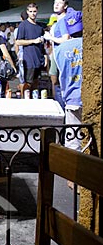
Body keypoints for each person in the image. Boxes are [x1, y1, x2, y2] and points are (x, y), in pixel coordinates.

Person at [53, 9, 83, 152]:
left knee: (72, 144)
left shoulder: (59, 50)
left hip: (71, 99)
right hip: (88, 99)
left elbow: (56, 74)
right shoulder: (90, 45)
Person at [15, 3, 47, 96]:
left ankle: (35, 101)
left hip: (38, 59)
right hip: (28, 59)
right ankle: (25, 101)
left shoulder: (39, 27)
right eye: (31, 11)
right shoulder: (23, 25)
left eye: (34, 11)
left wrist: (44, 55)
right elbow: (18, 42)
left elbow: (42, 44)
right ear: (27, 12)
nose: (33, 13)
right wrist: (33, 41)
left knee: (36, 82)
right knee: (27, 83)